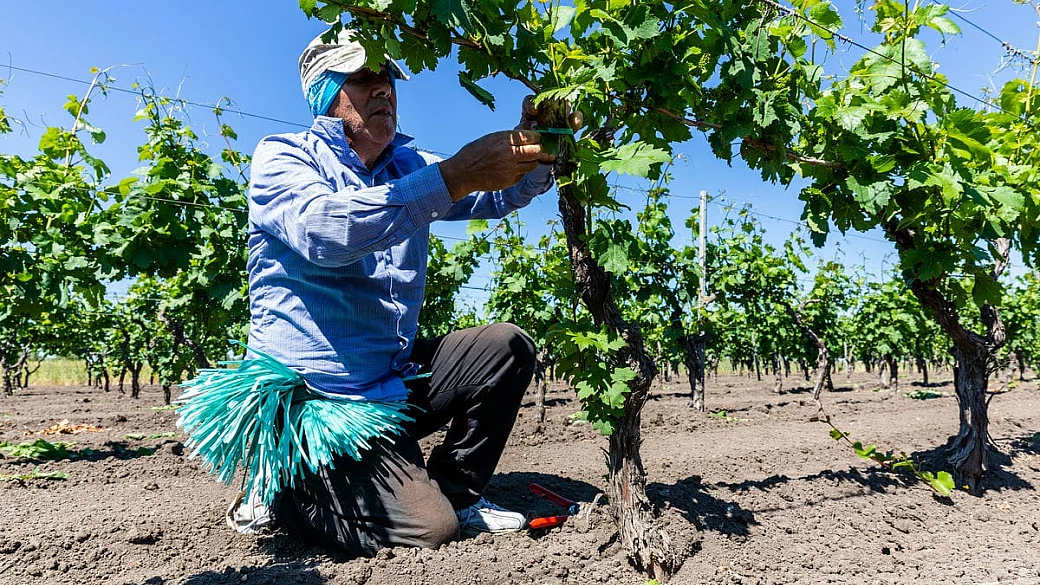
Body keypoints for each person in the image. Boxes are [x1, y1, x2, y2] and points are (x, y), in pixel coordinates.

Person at [230, 28, 562, 556]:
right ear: (326, 91)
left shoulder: (410, 166)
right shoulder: (284, 158)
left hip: (388, 380)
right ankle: (286, 491)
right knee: (429, 531)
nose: (384, 87)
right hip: (319, 402)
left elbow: (498, 196)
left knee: (504, 347)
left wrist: (540, 146)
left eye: (388, 77)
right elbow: (325, 232)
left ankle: (458, 493)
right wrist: (454, 175)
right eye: (364, 77)